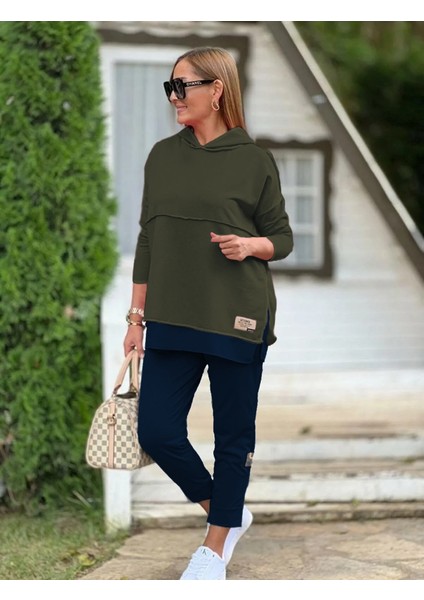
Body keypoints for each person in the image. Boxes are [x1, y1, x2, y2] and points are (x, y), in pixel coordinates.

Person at [123, 46, 293, 580]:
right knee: (157, 431)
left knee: (232, 438)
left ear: (216, 89)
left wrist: (250, 246)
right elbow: (148, 238)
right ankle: (227, 511)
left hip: (236, 314)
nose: (174, 97)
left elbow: (282, 239)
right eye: (170, 88)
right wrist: (135, 318)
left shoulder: (254, 160)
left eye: (183, 86)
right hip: (172, 315)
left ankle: (214, 548)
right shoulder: (162, 156)